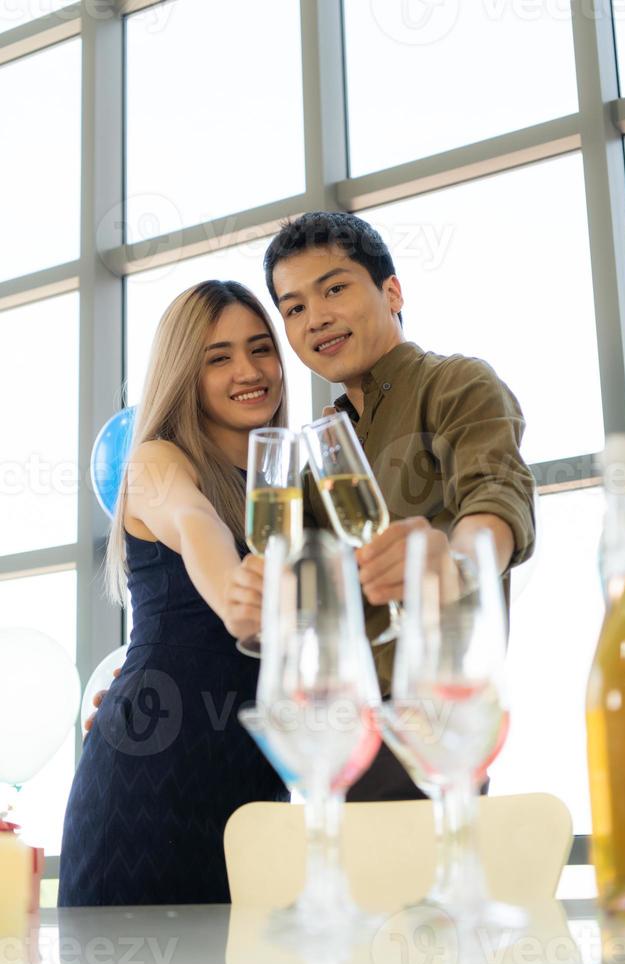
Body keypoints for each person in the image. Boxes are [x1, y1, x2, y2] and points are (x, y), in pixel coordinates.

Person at [255, 210, 535, 801]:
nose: (317, 318)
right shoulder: (320, 451)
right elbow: (285, 588)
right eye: (295, 308)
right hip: (336, 739)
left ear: (392, 290)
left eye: (334, 288)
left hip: (432, 727)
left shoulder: (456, 384)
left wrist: (451, 558)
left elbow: (496, 502)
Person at [58, 280, 290, 907]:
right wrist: (237, 593)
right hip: (150, 777)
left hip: (256, 773)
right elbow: (197, 525)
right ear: (186, 372)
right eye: (218, 357)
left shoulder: (290, 481)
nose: (248, 371)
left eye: (261, 349)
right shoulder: (157, 460)